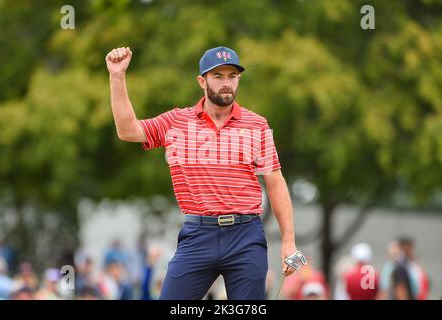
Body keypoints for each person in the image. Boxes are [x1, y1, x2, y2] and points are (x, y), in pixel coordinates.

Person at [105, 46, 298, 300]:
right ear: (201, 81)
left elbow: (275, 182)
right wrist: (117, 76)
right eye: (218, 76)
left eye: (232, 76)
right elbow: (127, 130)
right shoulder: (177, 121)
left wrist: (288, 241)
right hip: (198, 235)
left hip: (246, 236)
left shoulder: (257, 125)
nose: (226, 83)